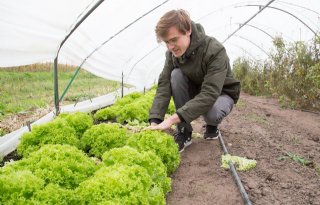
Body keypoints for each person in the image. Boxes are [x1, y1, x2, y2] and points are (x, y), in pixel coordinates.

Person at [148, 9, 240, 152]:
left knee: (212, 113)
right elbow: (164, 85)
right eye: (167, 42)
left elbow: (210, 93)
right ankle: (184, 132)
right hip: (197, 91)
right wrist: (155, 121)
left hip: (221, 93)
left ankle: (212, 125)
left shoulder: (214, 50)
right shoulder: (172, 54)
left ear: (188, 30)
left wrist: (172, 119)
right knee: (175, 75)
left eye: (174, 40)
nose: (171, 47)